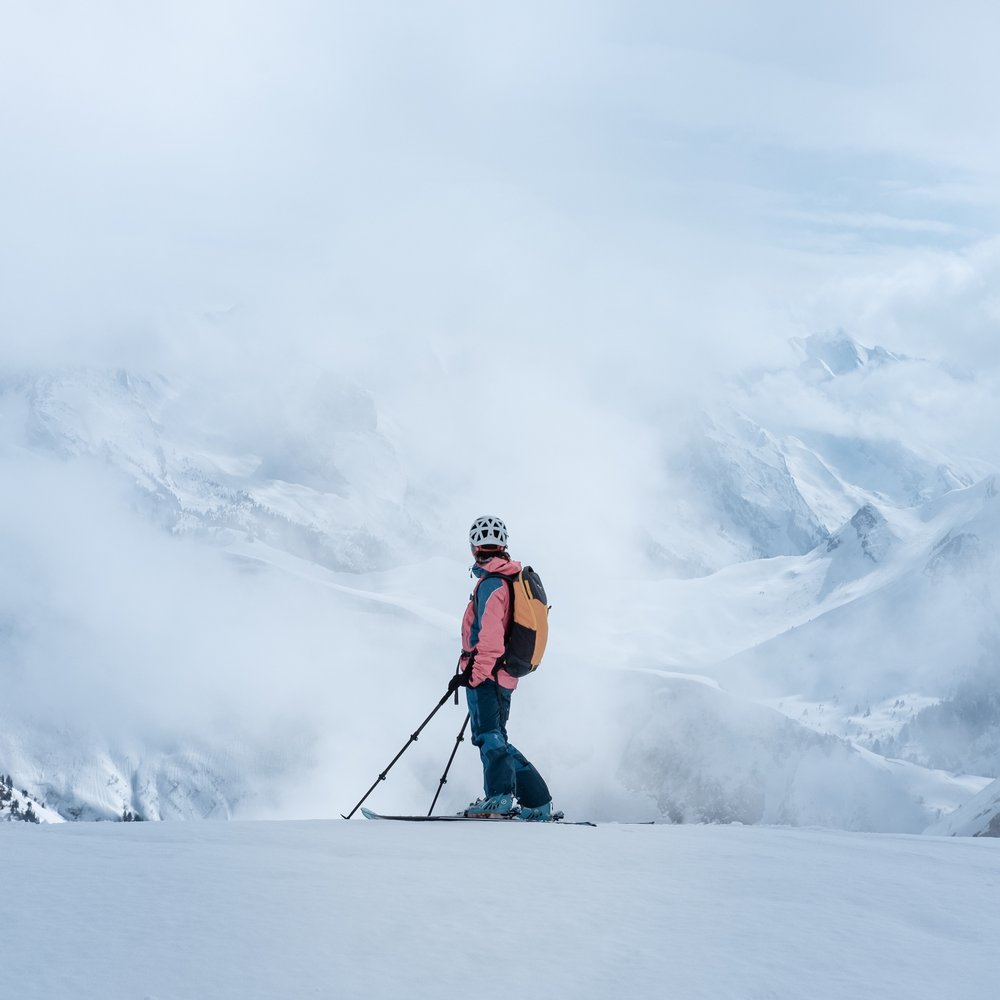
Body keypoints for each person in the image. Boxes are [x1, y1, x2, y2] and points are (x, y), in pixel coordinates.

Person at [447, 515, 553, 821]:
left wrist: (474, 675)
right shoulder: (508, 578)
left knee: (488, 736)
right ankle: (537, 802)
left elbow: (490, 640)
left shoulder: (492, 583)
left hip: (488, 674)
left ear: (473, 548)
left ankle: (500, 796)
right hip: (504, 674)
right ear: (503, 545)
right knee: (497, 738)